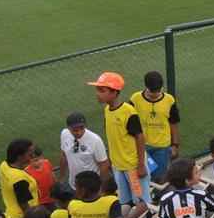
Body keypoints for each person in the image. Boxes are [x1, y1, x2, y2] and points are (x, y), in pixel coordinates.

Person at [87, 71, 150, 207]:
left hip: (132, 168)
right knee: (125, 201)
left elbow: (140, 137)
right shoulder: (107, 110)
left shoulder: (128, 112)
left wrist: (140, 165)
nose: (97, 93)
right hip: (118, 167)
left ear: (114, 92)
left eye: (101, 90)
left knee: (141, 203)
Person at [144, 159, 214, 218]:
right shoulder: (202, 195)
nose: (200, 173)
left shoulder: (166, 199)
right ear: (187, 181)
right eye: (196, 172)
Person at [68, 170, 147, 218]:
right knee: (128, 209)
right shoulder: (110, 201)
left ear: (82, 190)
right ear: (99, 187)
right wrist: (138, 211)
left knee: (125, 208)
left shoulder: (72, 205)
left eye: (76, 186)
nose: (75, 189)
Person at [131, 71, 180, 181]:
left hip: (162, 147)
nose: (155, 93)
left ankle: (158, 197)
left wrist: (175, 145)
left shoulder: (169, 100)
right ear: (146, 86)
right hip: (142, 147)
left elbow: (174, 123)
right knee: (144, 177)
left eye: (158, 90)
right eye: (152, 91)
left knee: (159, 178)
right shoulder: (135, 99)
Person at [58, 111, 110, 189]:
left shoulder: (95, 140)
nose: (79, 132)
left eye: (82, 128)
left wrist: (100, 186)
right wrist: (61, 179)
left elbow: (104, 164)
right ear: (68, 128)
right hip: (74, 185)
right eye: (75, 130)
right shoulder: (64, 134)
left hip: (91, 188)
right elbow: (64, 156)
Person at [0, 138, 39, 218]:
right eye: (30, 154)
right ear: (20, 157)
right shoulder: (19, 179)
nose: (33, 156)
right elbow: (24, 204)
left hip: (11, 213)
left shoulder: (4, 165)